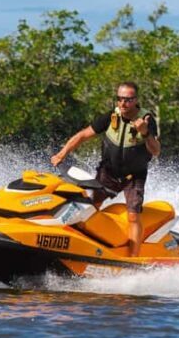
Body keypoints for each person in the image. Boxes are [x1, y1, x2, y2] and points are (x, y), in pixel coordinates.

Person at [50, 81, 160, 257]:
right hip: (108, 172)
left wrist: (145, 133)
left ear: (136, 100)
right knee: (91, 208)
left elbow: (156, 151)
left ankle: (133, 259)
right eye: (120, 99)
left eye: (128, 100)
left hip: (134, 176)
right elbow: (83, 135)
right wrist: (61, 155)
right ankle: (83, 245)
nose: (123, 104)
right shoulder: (111, 116)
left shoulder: (146, 120)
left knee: (133, 215)